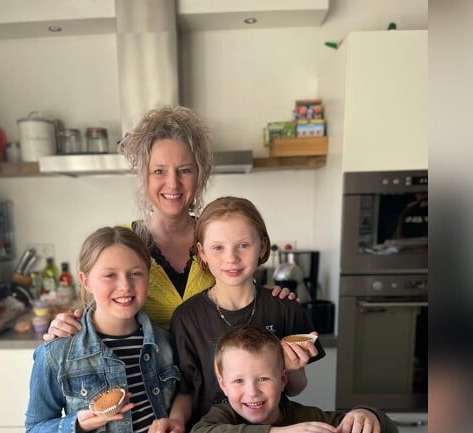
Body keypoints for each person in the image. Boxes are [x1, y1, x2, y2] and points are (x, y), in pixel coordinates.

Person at [43, 105, 291, 339]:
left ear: (200, 175)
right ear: (144, 177)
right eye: (159, 171)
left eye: (184, 170)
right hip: (142, 383)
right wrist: (65, 324)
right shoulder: (122, 244)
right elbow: (100, 308)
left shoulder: (217, 240)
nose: (173, 184)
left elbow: (242, 296)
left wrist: (273, 297)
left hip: (215, 383)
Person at [25, 226, 191, 433]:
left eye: (135, 273)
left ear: (148, 275)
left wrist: (175, 422)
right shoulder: (56, 353)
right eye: (109, 275)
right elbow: (35, 428)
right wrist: (78, 426)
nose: (125, 286)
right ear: (86, 281)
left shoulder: (165, 342)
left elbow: (184, 391)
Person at [171, 196, 324, 425]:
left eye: (243, 245)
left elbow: (296, 389)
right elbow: (186, 390)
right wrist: (175, 421)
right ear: (202, 252)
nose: (231, 258)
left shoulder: (285, 308)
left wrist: (292, 369)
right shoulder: (187, 318)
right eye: (218, 248)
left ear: (262, 246)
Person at [187, 326, 398, 433]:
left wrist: (367, 415)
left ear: (282, 380)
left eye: (263, 379)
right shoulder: (223, 416)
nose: (252, 392)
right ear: (223, 385)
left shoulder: (307, 420)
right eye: (238, 381)